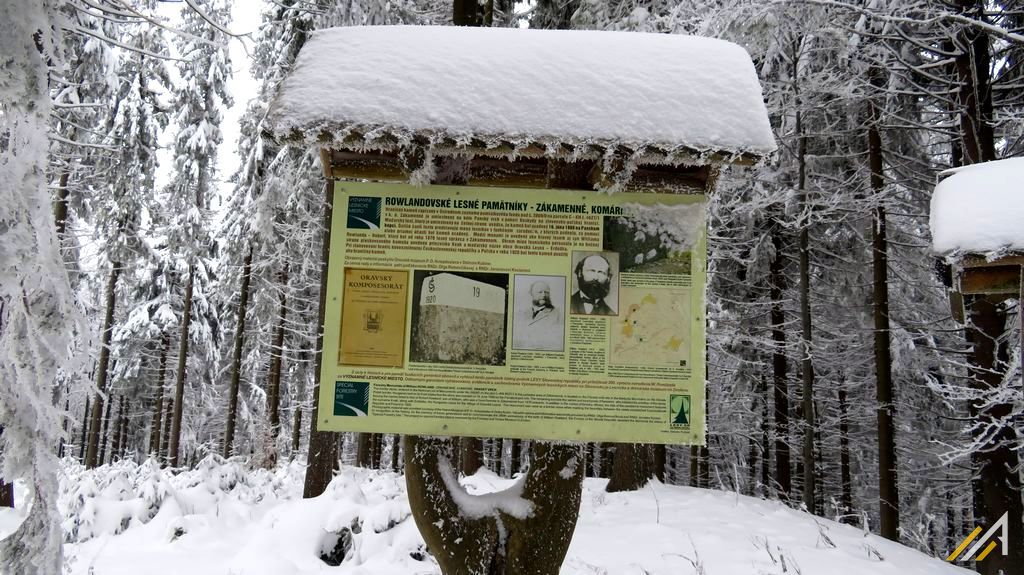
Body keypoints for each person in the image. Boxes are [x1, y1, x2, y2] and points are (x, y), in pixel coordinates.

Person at [512, 280, 564, 351]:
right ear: (531, 293)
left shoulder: (558, 314)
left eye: (546, 292)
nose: (544, 295)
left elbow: (559, 342)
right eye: (540, 292)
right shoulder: (522, 314)